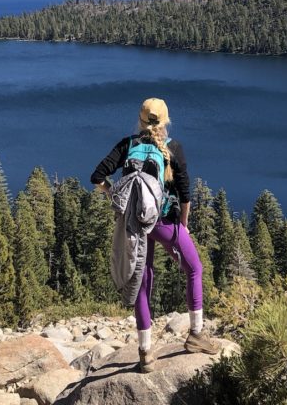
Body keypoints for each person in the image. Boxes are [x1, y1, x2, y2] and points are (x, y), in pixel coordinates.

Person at [91, 97, 217, 373]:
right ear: (166, 121)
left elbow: (97, 176)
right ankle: (196, 335)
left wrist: (115, 195)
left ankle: (145, 352)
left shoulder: (128, 145)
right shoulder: (173, 149)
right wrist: (182, 225)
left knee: (143, 280)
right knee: (194, 268)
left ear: (140, 120)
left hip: (135, 224)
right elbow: (185, 196)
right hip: (163, 223)